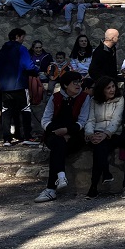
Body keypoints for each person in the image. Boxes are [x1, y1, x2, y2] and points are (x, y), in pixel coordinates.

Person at [34, 72, 90, 203]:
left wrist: (67, 131)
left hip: (75, 135)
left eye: (79, 82)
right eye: (74, 82)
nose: (78, 85)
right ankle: (60, 176)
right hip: (55, 134)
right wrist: (56, 131)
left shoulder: (84, 98)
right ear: (65, 85)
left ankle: (51, 188)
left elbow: (83, 120)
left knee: (58, 147)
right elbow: (45, 120)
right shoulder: (55, 98)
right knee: (58, 143)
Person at [0, 28, 39, 146]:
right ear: (17, 36)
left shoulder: (2, 50)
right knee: (25, 110)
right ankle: (27, 137)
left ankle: (6, 139)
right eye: (22, 37)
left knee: (6, 111)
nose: (23, 39)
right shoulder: (21, 49)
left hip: (5, 86)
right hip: (20, 84)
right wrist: (36, 71)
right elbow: (29, 66)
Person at [84, 76, 124, 198]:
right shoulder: (93, 101)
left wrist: (106, 133)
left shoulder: (119, 99)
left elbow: (116, 120)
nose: (112, 90)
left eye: (113, 87)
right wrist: (90, 134)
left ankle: (94, 186)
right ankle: (105, 174)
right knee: (99, 146)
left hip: (113, 133)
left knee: (100, 148)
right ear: (102, 90)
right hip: (96, 133)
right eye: (108, 88)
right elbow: (90, 119)